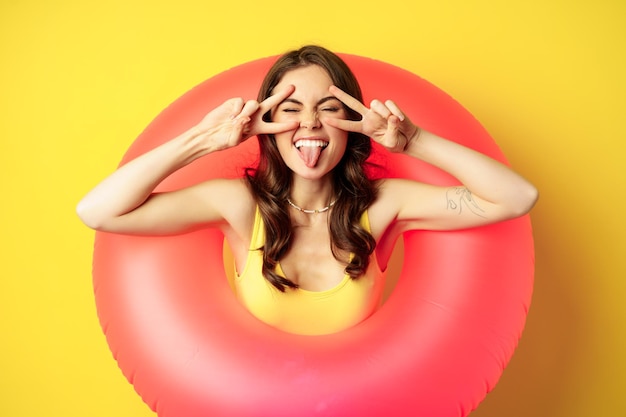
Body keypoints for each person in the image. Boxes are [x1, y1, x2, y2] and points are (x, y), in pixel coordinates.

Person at [76, 45, 538, 335]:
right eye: (292, 109)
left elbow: (517, 197)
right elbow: (98, 211)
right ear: (270, 125)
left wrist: (414, 140)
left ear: (353, 125)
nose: (310, 123)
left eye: (328, 108)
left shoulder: (384, 206)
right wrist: (206, 140)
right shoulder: (239, 206)